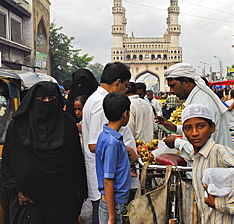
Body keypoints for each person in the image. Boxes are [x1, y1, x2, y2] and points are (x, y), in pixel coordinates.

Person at [1, 81, 87, 224]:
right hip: (28, 202)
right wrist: (17, 190)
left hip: (62, 201)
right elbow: (9, 161)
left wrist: (78, 191)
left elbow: (75, 160)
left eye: (51, 99)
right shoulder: (18, 126)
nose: (46, 103)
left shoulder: (67, 123)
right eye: (41, 99)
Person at [181, 104, 234, 224]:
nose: (194, 133)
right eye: (188, 128)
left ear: (212, 128)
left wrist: (220, 203)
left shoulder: (221, 153)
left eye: (201, 126)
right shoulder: (197, 158)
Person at [82, 62, 137, 224]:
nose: (125, 91)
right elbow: (94, 144)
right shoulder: (102, 103)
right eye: (125, 86)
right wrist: (126, 150)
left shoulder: (98, 99)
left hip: (111, 181)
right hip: (109, 188)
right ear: (117, 83)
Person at [157, 63, 234, 164]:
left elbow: (202, 145)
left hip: (211, 167)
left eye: (173, 86)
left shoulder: (200, 103)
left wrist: (176, 142)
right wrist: (176, 128)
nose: (171, 91)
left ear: (186, 82)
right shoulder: (198, 98)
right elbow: (198, 131)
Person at [95, 92, 132, 224]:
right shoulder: (112, 142)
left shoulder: (106, 136)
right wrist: (112, 216)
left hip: (114, 202)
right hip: (114, 204)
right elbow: (108, 181)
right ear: (125, 113)